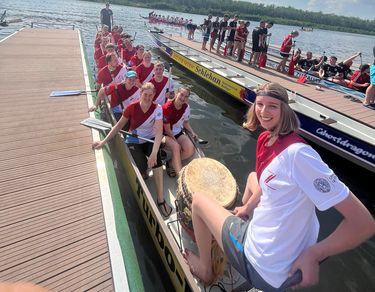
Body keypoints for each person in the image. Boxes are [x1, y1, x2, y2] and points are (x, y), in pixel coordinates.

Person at [184, 82, 375, 289]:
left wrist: (314, 254)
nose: (264, 111)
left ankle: (206, 269)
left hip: (261, 265)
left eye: (272, 106)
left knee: (198, 201)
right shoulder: (268, 138)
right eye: (260, 104)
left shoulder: (299, 155)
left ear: (285, 110)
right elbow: (265, 181)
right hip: (281, 260)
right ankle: (244, 217)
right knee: (252, 177)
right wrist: (248, 207)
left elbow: (364, 223)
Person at [92, 83, 173, 219]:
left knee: (157, 160)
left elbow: (159, 132)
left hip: (149, 139)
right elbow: (118, 127)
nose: (147, 97)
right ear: (140, 93)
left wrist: (153, 153)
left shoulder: (158, 108)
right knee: (141, 167)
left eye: (150, 95)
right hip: (134, 140)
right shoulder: (131, 107)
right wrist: (103, 142)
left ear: (154, 95)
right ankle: (144, 170)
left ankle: (160, 199)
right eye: (145, 94)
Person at [162, 87, 196, 177]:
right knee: (176, 146)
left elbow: (185, 122)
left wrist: (192, 132)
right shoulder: (166, 108)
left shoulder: (186, 107)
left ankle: (170, 163)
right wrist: (176, 142)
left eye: (186, 96)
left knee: (190, 149)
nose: (183, 98)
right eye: (181, 94)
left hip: (177, 132)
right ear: (177, 93)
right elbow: (167, 129)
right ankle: (180, 177)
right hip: (164, 134)